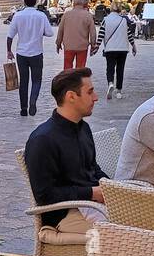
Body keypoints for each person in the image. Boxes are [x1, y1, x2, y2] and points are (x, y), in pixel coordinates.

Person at [22, 67, 105, 238]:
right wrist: (91, 192)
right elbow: (44, 195)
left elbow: (93, 168)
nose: (96, 97)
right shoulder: (43, 139)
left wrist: (112, 188)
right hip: (62, 215)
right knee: (126, 235)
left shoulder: (83, 128)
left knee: (143, 220)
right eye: (90, 92)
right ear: (71, 97)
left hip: (92, 205)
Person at [7, 0, 55, 117]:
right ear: (36, 2)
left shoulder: (18, 15)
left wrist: (8, 50)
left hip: (21, 53)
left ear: (24, 1)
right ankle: (33, 100)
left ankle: (23, 108)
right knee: (36, 80)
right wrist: (40, 32)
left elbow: (10, 35)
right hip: (36, 52)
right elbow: (50, 33)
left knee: (24, 81)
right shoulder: (41, 16)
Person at [96, 1, 137, 100]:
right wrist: (133, 45)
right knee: (120, 69)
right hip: (123, 48)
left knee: (110, 67)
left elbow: (101, 34)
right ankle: (119, 91)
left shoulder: (106, 20)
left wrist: (96, 46)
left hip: (110, 48)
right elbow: (129, 35)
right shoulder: (123, 20)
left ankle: (110, 83)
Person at [56, 0, 97, 70]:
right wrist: (93, 44)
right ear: (84, 3)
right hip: (82, 46)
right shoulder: (88, 15)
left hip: (68, 46)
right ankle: (78, 81)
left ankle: (68, 81)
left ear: (73, 3)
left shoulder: (66, 15)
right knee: (80, 68)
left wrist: (58, 43)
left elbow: (60, 30)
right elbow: (93, 32)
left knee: (67, 67)